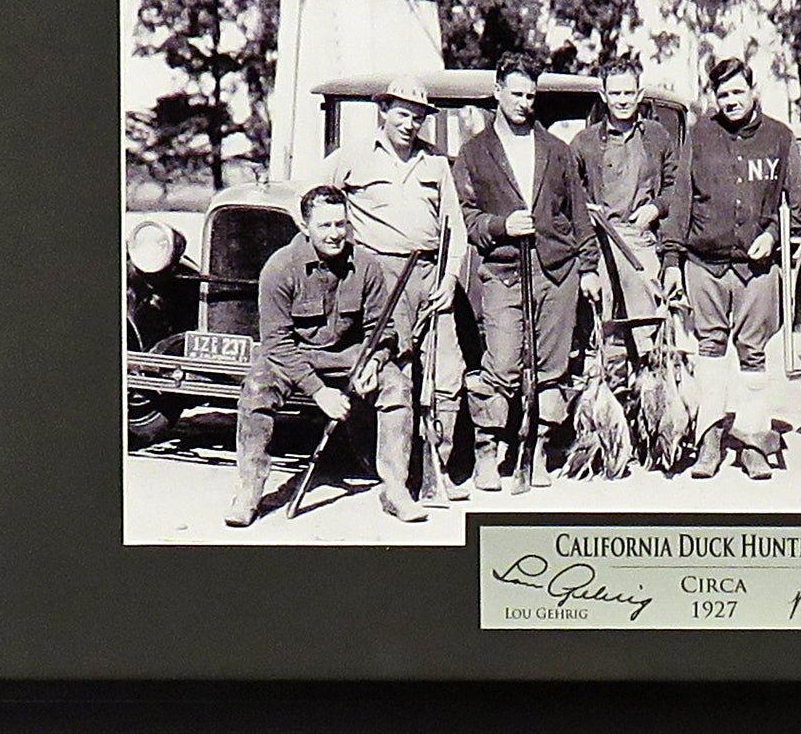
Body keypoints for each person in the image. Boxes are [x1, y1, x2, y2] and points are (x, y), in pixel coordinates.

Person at [663, 55, 801, 480]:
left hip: (757, 270)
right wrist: (671, 259)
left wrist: (773, 234)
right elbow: (681, 199)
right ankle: (709, 440)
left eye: (738, 92)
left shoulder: (780, 137)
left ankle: (753, 440)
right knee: (709, 351)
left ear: (754, 92)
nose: (731, 100)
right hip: (704, 264)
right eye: (723, 94)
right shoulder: (700, 135)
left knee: (754, 354)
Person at [454, 51, 602, 489]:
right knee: (501, 363)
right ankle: (487, 451)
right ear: (498, 93)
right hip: (502, 271)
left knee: (552, 368)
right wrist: (500, 225)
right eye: (515, 93)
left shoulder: (556, 151)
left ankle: (536, 449)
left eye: (530, 95)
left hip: (556, 272)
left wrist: (588, 268)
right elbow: (466, 216)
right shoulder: (475, 153)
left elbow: (578, 216)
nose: (523, 102)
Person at [226, 186, 415, 526]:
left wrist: (373, 361)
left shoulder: (366, 264)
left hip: (350, 356)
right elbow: (276, 343)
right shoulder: (280, 268)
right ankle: (249, 490)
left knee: (397, 386)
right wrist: (319, 391)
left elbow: (380, 329)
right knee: (256, 388)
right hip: (294, 358)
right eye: (325, 225)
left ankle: (395, 488)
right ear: (305, 226)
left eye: (340, 224)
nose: (334, 234)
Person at [323, 74, 468, 508]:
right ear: (382, 112)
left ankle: (434, 473)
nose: (410, 124)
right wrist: (341, 261)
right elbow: (309, 205)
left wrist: (447, 280)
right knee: (394, 373)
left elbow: (454, 228)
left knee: (446, 375)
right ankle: (395, 480)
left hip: (428, 274)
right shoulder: (351, 157)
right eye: (402, 114)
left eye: (418, 117)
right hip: (378, 276)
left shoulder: (435, 163)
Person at [569, 54, 681, 385]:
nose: (622, 100)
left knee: (649, 331)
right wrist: (587, 210)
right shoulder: (584, 142)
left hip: (641, 244)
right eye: (615, 93)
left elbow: (678, 185)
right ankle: (612, 410)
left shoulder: (657, 136)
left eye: (628, 93)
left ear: (639, 94)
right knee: (607, 332)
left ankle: (650, 405)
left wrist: (657, 208)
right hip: (600, 243)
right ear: (604, 96)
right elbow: (570, 194)